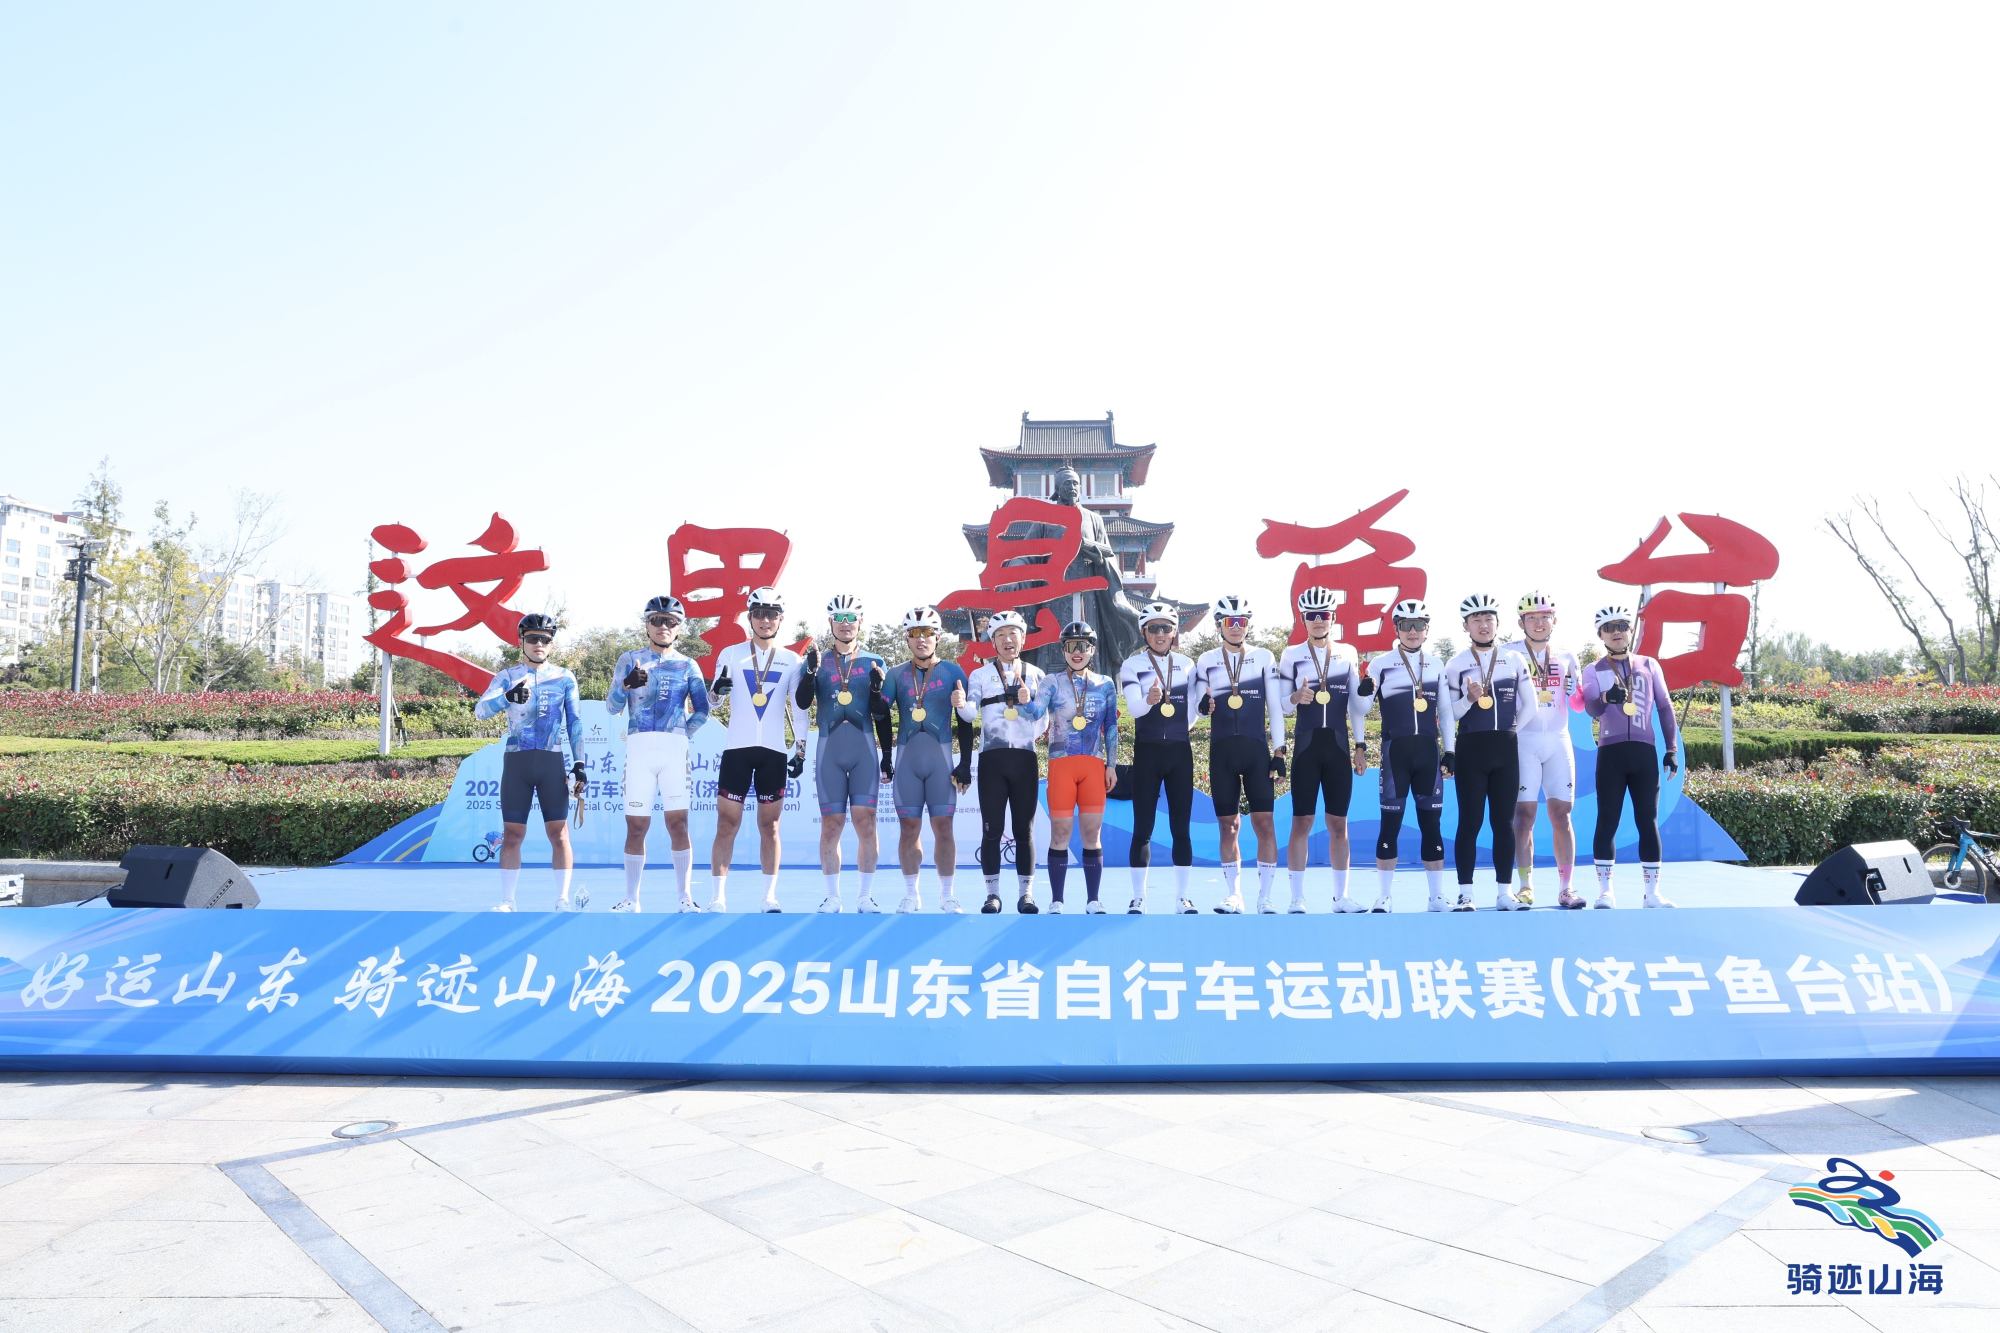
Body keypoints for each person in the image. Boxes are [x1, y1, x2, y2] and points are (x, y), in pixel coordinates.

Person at [474, 613, 587, 912]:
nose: (539, 644)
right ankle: (508, 900)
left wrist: (580, 764)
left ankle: (562, 899)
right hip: (517, 763)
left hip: (551, 761)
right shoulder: (507, 676)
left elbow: (575, 722)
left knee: (559, 833)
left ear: (551, 644)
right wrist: (507, 697)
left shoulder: (564, 677)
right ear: (521, 641)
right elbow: (480, 711)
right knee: (513, 834)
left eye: (545, 639)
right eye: (533, 638)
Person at [708, 585, 811, 913]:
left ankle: (769, 896)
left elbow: (800, 708)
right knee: (727, 824)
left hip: (774, 752)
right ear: (750, 617)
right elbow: (713, 702)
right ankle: (717, 897)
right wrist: (716, 691)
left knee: (771, 826)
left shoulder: (792, 660)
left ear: (780, 619)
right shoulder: (731, 654)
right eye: (759, 614)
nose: (765, 620)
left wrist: (801, 749)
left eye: (772, 615)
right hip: (737, 750)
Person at [604, 595, 710, 912]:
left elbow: (702, 710)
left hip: (674, 750)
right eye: (656, 620)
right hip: (639, 748)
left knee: (678, 825)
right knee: (636, 826)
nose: (663, 626)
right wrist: (625, 685)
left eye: (670, 621)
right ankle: (631, 899)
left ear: (679, 627)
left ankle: (684, 897)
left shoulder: (688, 664)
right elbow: (611, 707)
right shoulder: (629, 659)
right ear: (647, 625)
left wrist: (682, 734)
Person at [795, 593, 894, 913]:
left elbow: (882, 714)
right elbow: (801, 703)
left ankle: (865, 896)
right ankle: (832, 896)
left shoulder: (874, 661)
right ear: (830, 622)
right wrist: (810, 673)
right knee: (831, 824)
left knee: (866, 823)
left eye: (851, 618)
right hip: (829, 751)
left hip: (864, 750)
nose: (846, 623)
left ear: (860, 622)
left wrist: (887, 755)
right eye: (840, 618)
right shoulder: (818, 659)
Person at [1356, 599, 1455, 912]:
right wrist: (1363, 692)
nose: (1413, 631)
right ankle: (1384, 896)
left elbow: (1446, 711)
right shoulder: (1380, 664)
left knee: (1432, 826)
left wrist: (1450, 750)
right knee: (1390, 825)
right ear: (1396, 629)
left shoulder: (1437, 664)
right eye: (1406, 626)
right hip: (1394, 755)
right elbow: (1360, 709)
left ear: (1427, 629)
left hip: (1428, 754)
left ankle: (1436, 896)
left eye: (1419, 625)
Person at [1190, 594, 1287, 914]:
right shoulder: (1206, 660)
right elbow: (1199, 707)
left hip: (1256, 750)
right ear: (1219, 625)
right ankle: (1234, 895)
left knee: (1265, 823)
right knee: (1227, 826)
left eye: (1241, 621)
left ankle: (1265, 897)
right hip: (1222, 752)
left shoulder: (1263, 657)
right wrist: (1203, 706)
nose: (1235, 627)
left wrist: (1279, 751)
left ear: (1248, 625)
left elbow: (1275, 707)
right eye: (1229, 622)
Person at [1581, 604, 1680, 908]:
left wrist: (1672, 749)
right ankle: (1605, 891)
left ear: (1630, 630)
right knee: (1607, 819)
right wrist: (1604, 697)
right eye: (1609, 628)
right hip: (1610, 753)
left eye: (1622, 626)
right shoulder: (1593, 669)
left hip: (1643, 752)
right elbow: (1591, 708)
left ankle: (1652, 893)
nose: (1617, 632)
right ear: (1600, 634)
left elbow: (1664, 707)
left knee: (1647, 820)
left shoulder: (1649, 665)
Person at [1443, 593, 1535, 911]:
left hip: (1505, 749)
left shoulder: (1514, 659)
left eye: (1488, 619)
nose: (1483, 625)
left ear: (1497, 623)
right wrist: (1469, 699)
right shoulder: (1455, 664)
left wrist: (1511, 732)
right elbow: (1450, 714)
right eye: (1476, 620)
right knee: (1469, 822)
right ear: (1465, 626)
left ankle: (1504, 893)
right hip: (1471, 748)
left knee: (1503, 823)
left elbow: (1530, 706)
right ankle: (1466, 893)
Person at [880, 605, 975, 912]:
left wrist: (964, 763)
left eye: (927, 633)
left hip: (941, 762)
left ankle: (947, 895)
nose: (921, 639)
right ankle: (911, 894)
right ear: (907, 639)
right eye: (914, 633)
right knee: (909, 828)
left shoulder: (953, 672)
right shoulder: (895, 674)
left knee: (944, 827)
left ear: (937, 637)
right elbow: (880, 715)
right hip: (907, 761)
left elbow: (965, 721)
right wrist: (885, 756)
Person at [1278, 587, 1367, 912]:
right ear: (1303, 619)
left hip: (1338, 749)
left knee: (1339, 824)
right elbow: (1282, 707)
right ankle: (1297, 898)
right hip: (1307, 749)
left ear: (1333, 618)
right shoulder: (1291, 655)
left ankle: (1341, 897)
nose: (1318, 620)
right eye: (1311, 616)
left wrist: (1360, 745)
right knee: (1301, 823)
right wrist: (1295, 698)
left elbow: (1357, 707)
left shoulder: (1348, 652)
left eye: (1324, 615)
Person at [955, 609, 1048, 913]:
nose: (1008, 640)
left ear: (1023, 639)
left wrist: (1028, 705)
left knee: (1024, 831)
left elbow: (1043, 723)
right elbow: (970, 713)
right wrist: (960, 705)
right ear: (992, 642)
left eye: (1013, 634)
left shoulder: (1037, 675)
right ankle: (992, 894)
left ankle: (1026, 894)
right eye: (1001, 635)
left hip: (1024, 758)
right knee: (991, 829)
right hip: (992, 760)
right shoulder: (979, 675)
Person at [1023, 621, 1119, 913]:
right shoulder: (1051, 682)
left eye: (1083, 646)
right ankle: (1057, 900)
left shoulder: (1105, 683)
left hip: (1093, 766)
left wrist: (1111, 765)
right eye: (1070, 646)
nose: (1077, 652)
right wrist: (1025, 700)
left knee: (1091, 834)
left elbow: (1111, 727)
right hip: (1061, 765)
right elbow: (1035, 714)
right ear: (1063, 650)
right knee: (1060, 834)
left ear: (1092, 649)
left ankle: (1093, 900)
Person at [1117, 601, 1196, 913]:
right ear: (1144, 632)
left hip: (1179, 751)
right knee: (1143, 828)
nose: (1160, 634)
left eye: (1166, 628)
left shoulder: (1188, 664)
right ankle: (1139, 897)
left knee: (1181, 828)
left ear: (1174, 631)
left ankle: (1183, 897)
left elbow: (1194, 712)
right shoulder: (1132, 665)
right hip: (1147, 751)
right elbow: (1134, 710)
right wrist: (1150, 700)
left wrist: (1189, 721)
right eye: (1153, 629)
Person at [1511, 591, 1584, 908]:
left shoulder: (1567, 656)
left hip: (1557, 740)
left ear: (1555, 620)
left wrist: (1575, 692)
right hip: (1523, 742)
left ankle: (1566, 887)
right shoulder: (1508, 654)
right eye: (1532, 618)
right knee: (1524, 815)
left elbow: (1578, 706)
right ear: (1521, 623)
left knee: (1561, 814)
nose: (1539, 623)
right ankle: (1525, 885)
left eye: (1544, 617)